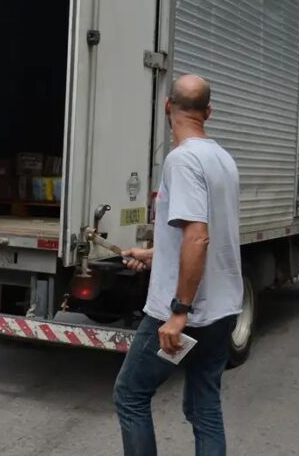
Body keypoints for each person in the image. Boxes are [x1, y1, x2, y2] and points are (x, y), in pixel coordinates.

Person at [113, 74, 242, 456]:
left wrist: (179, 312)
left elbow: (197, 238)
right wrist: (154, 255)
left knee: (131, 395)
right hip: (222, 311)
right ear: (208, 112)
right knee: (204, 408)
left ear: (167, 106)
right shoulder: (223, 159)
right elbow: (203, 237)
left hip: (186, 315)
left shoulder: (182, 160)